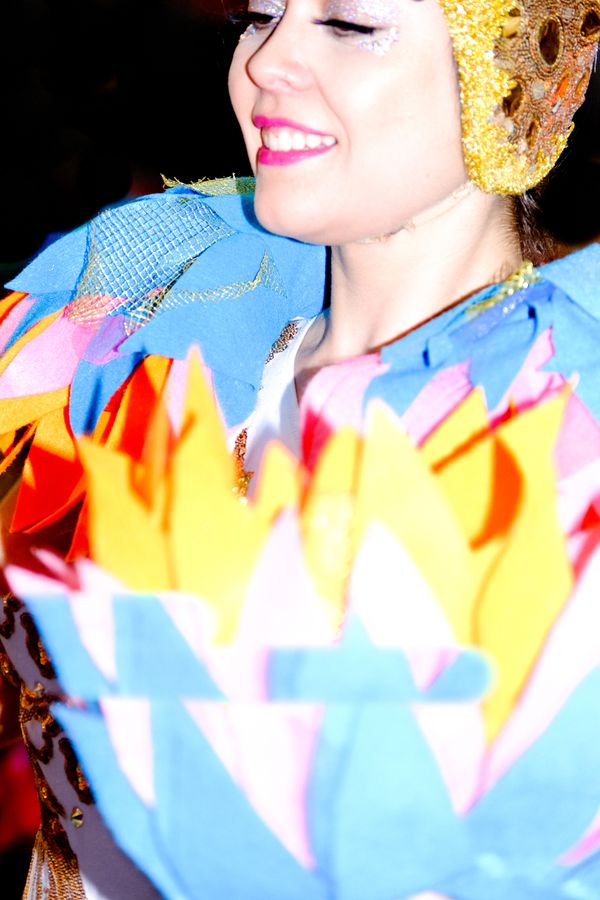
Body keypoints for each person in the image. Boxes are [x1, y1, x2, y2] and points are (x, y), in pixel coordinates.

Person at [1, 0, 600, 897]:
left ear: (510, 78)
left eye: (349, 24)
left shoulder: (563, 460)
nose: (265, 62)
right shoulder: (139, 323)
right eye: (259, 15)